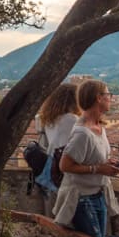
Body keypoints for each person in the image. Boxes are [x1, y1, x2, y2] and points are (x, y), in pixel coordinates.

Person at [53, 80, 119, 237]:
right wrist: (98, 169)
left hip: (97, 193)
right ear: (99, 98)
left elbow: (93, 158)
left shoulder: (99, 127)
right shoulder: (82, 133)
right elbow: (65, 165)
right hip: (82, 199)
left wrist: (107, 163)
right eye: (108, 94)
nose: (110, 98)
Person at [34, 83, 80, 215]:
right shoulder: (71, 120)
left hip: (50, 169)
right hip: (65, 172)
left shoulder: (49, 119)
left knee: (53, 212)